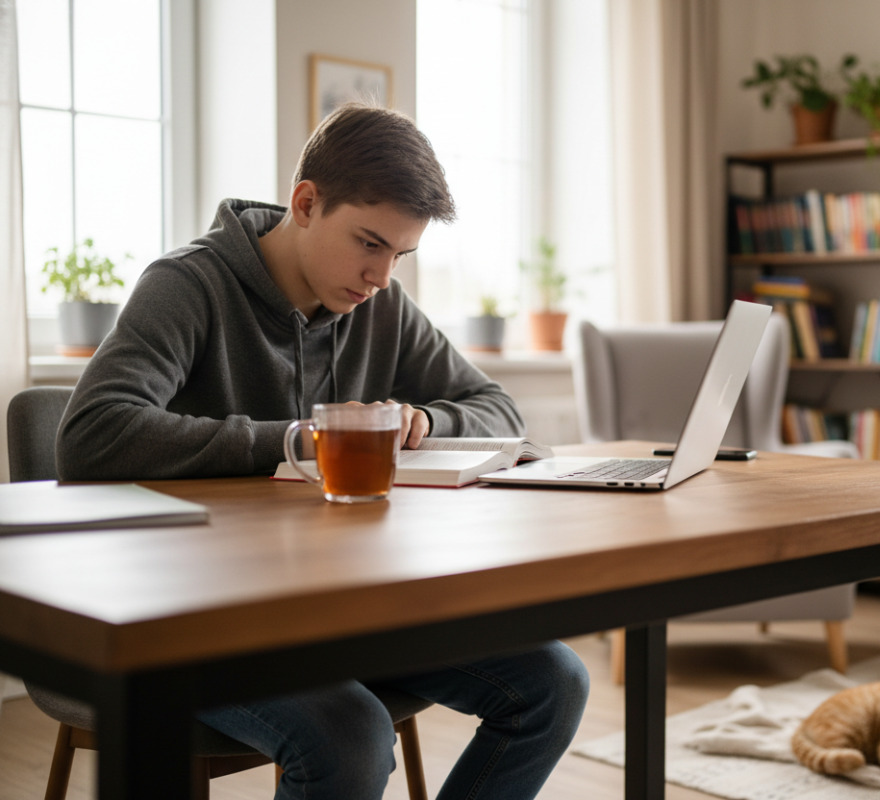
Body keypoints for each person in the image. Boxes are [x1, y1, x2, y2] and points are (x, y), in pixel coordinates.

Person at [56, 103, 590, 800]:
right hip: (191, 619)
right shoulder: (189, 285)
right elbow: (92, 434)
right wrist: (296, 439)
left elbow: (498, 409)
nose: (382, 276)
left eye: (400, 255)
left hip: (340, 609)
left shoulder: (378, 305)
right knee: (351, 736)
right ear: (306, 203)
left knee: (555, 683)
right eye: (370, 243)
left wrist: (425, 420)